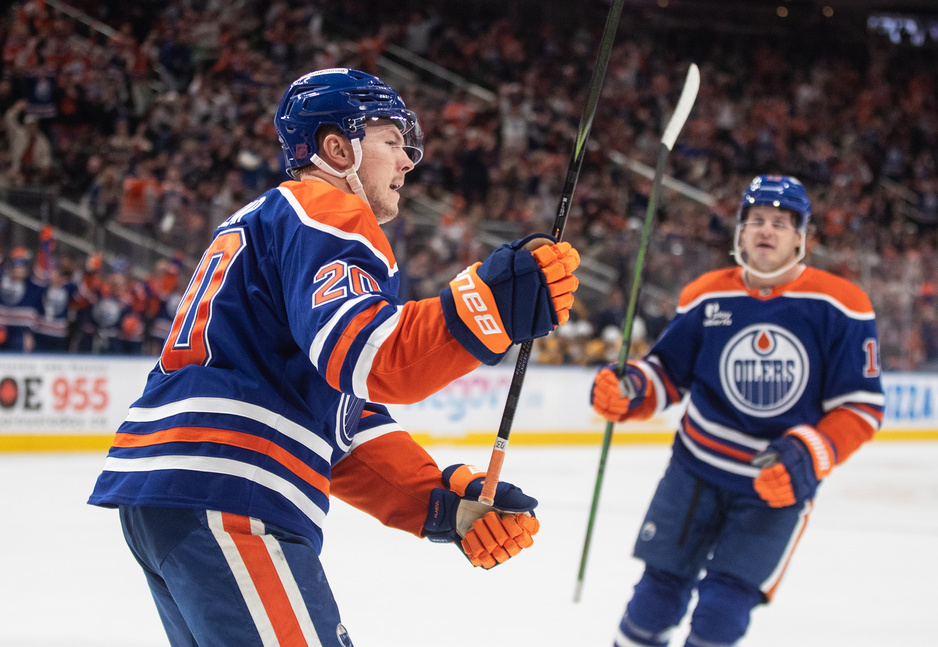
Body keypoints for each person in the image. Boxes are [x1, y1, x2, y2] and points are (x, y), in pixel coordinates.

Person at [88, 68, 580, 646]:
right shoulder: (328, 210)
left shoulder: (272, 221)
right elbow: (371, 357)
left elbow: (341, 421)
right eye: (392, 141)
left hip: (179, 497)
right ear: (336, 147)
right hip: (231, 494)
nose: (407, 162)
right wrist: (487, 306)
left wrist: (441, 501)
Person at [591, 175, 884, 647]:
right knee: (653, 600)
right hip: (694, 473)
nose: (766, 230)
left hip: (774, 485)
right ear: (741, 232)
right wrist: (631, 389)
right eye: (757, 220)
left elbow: (861, 406)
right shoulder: (707, 294)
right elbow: (667, 373)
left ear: (800, 237)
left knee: (722, 614)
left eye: (780, 223)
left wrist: (810, 453)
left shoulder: (841, 305)